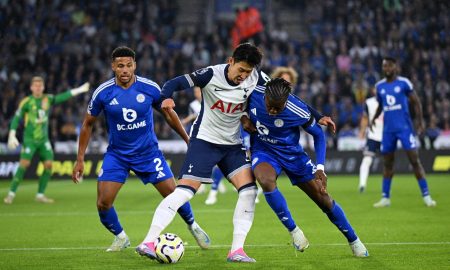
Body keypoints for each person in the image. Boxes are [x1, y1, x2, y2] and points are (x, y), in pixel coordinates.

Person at [71, 46, 210, 252]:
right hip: (117, 155)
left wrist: (188, 140)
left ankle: (193, 225)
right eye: (120, 66)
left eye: (128, 65)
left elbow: (169, 114)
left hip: (148, 153)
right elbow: (87, 123)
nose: (125, 70)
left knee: (174, 195)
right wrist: (80, 158)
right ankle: (121, 237)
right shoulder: (103, 92)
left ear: (134, 65)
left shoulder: (150, 88)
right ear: (113, 67)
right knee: (103, 203)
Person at [136, 43, 264, 263]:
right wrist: (165, 97)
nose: (243, 76)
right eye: (240, 70)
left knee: (249, 191)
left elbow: (281, 94)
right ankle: (148, 241)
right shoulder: (210, 74)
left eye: (248, 72)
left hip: (232, 145)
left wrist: (314, 116)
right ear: (230, 61)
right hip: (204, 141)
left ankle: (237, 251)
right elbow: (173, 83)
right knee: (184, 192)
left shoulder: (257, 78)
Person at [240, 78, 369, 257]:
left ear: (286, 101)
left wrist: (320, 168)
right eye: (269, 105)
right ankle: (294, 231)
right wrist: (243, 117)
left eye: (277, 108)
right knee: (265, 180)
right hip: (264, 151)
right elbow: (234, 103)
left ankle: (354, 240)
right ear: (265, 96)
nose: (272, 111)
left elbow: (319, 135)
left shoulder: (297, 110)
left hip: (292, 155)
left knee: (323, 198)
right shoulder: (253, 93)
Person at [4, 76, 90, 204]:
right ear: (31, 88)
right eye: (36, 86)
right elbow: (16, 118)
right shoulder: (27, 102)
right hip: (30, 140)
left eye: (40, 86)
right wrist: (12, 134)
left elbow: (62, 97)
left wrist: (79, 90)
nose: (38, 88)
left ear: (43, 87)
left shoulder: (47, 99)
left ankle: (40, 195)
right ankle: (11, 194)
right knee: (24, 164)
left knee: (49, 165)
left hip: (44, 140)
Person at [371, 57, 437, 208]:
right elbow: (381, 105)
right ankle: (385, 197)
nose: (386, 68)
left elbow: (416, 102)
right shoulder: (379, 86)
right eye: (384, 66)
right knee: (387, 164)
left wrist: (420, 122)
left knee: (414, 160)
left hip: (404, 129)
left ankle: (427, 196)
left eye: (389, 66)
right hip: (388, 131)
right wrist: (373, 119)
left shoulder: (404, 83)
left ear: (395, 67)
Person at [181, 86, 227, 203]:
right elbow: (194, 120)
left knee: (215, 161)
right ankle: (201, 185)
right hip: (199, 135)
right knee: (200, 161)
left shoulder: (211, 101)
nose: (197, 93)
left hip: (212, 133)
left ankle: (217, 182)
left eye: (199, 91)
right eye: (195, 92)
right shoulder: (193, 105)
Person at [358, 87, 383, 193]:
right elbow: (365, 118)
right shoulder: (369, 102)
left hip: (386, 136)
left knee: (388, 162)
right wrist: (362, 132)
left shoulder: (389, 101)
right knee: (367, 160)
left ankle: (385, 189)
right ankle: (362, 184)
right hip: (373, 135)